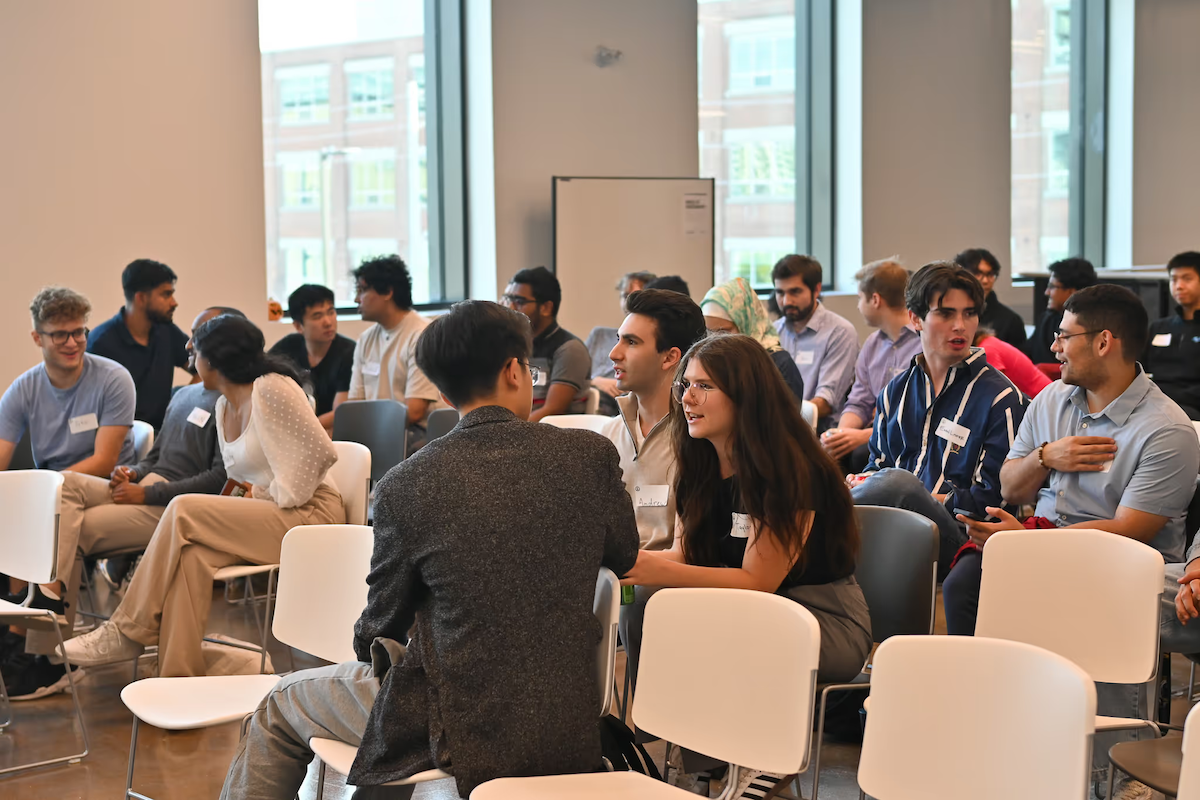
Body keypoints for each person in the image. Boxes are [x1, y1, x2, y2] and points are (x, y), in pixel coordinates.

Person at [217, 300, 639, 799]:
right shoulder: (589, 455)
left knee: (280, 699)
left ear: (440, 392)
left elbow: (377, 627)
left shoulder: (407, 482)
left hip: (459, 722)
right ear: (513, 370)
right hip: (566, 715)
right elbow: (623, 553)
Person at [956, 284, 1197, 800]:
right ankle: (995, 739)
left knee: (1089, 592)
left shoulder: (1165, 430)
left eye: (1065, 336)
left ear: (1104, 341)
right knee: (966, 583)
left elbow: (1130, 532)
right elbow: (1009, 485)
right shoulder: (1052, 399)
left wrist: (1032, 546)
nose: (1055, 347)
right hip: (1042, 547)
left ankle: (1117, 775)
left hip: (1121, 566)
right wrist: (1046, 457)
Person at [621, 333, 871, 799]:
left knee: (693, 614)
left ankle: (763, 760)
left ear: (746, 396)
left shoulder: (791, 469)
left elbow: (759, 581)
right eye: (685, 385)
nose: (687, 398)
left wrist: (657, 573)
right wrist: (627, 564)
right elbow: (683, 556)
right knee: (644, 607)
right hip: (745, 609)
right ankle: (699, 757)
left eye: (704, 387)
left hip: (816, 618)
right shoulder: (697, 459)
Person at [63, 314, 344, 678]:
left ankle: (127, 629)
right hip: (272, 514)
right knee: (191, 554)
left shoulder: (272, 387)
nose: (190, 359)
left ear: (212, 361)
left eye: (194, 352)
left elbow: (321, 453)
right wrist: (256, 499)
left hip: (309, 514)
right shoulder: (224, 406)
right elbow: (241, 481)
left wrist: (274, 495)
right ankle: (178, 674)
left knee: (182, 509)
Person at [1, 307, 234, 700]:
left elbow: (219, 480)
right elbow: (157, 457)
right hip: (146, 490)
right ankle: (46, 605)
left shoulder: (230, 401)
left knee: (67, 527)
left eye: (195, 336)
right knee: (64, 488)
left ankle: (39, 657)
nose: (186, 344)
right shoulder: (185, 395)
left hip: (175, 508)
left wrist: (147, 492)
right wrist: (133, 473)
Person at [849, 262, 1028, 580]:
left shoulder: (1000, 398)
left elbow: (992, 501)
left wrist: (917, 497)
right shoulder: (897, 390)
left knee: (899, 484)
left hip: (961, 539)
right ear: (915, 319)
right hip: (890, 527)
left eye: (969, 313)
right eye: (946, 314)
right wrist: (866, 484)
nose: (960, 325)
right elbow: (876, 469)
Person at [601, 288, 707, 553]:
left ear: (670, 357)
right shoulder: (608, 434)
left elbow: (690, 555)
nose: (614, 353)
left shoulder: (698, 436)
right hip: (610, 585)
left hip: (669, 590)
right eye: (618, 339)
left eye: (631, 342)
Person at [0, 287, 135, 475]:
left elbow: (104, 462)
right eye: (60, 335)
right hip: (52, 486)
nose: (72, 343)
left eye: (78, 332)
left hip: (105, 485)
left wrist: (47, 488)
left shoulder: (114, 379)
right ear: (37, 338)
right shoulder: (23, 389)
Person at [821, 258, 923, 473]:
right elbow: (860, 401)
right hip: (874, 431)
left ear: (875, 299)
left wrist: (859, 437)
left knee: (861, 453)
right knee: (824, 448)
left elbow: (918, 417)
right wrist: (840, 436)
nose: (858, 306)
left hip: (911, 439)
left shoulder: (923, 345)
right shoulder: (872, 344)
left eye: (860, 298)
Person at [347, 255, 441, 447]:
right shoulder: (366, 339)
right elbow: (355, 405)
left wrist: (370, 430)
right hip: (378, 431)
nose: (357, 299)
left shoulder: (421, 335)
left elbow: (414, 411)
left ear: (388, 292)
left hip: (418, 433)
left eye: (362, 290)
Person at [87, 259, 189, 431]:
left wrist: (181, 402)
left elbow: (206, 369)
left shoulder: (167, 331)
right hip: (121, 439)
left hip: (163, 434)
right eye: (166, 294)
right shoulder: (101, 343)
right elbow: (91, 409)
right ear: (141, 298)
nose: (174, 302)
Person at [771, 255, 859, 427]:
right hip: (778, 427)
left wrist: (783, 420)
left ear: (816, 289)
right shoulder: (773, 331)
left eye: (795, 291)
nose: (786, 301)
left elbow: (826, 401)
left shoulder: (840, 332)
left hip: (820, 428)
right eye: (780, 293)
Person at [501, 266, 591, 421]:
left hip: (554, 436)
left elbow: (552, 410)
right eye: (507, 299)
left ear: (546, 308)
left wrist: (508, 432)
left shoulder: (569, 349)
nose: (510, 307)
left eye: (519, 301)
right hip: (518, 432)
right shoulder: (512, 346)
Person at [700, 277, 806, 403]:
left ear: (746, 324)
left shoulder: (779, 365)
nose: (715, 340)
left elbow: (783, 420)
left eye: (724, 332)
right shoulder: (711, 362)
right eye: (709, 332)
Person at [269, 283, 356, 433]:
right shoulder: (287, 347)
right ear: (298, 326)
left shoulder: (349, 352)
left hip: (330, 432)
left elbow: (340, 413)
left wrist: (300, 429)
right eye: (317, 316)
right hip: (297, 431)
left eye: (331, 312)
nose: (328, 322)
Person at [585, 271, 655, 416]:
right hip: (591, 398)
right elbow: (574, 376)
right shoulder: (599, 335)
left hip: (622, 401)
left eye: (636, 296)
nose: (628, 302)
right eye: (625, 296)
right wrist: (596, 381)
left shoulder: (651, 342)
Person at [1143, 251, 1200, 419]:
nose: (1179, 286)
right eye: (1173, 279)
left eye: (1187, 279)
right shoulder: (1158, 327)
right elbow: (1139, 370)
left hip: (1189, 408)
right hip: (1153, 403)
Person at [1027, 257, 1096, 365]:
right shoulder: (1046, 319)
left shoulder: (1090, 327)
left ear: (1072, 292)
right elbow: (1026, 352)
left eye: (1052, 287)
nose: (1047, 292)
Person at [955, 247, 1028, 349]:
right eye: (978, 273)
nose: (985, 280)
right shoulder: (950, 314)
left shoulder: (1011, 320)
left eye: (990, 274)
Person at [972, 327, 1051, 398]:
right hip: (1039, 397)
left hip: (1040, 400)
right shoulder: (988, 341)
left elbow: (994, 390)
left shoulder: (987, 350)